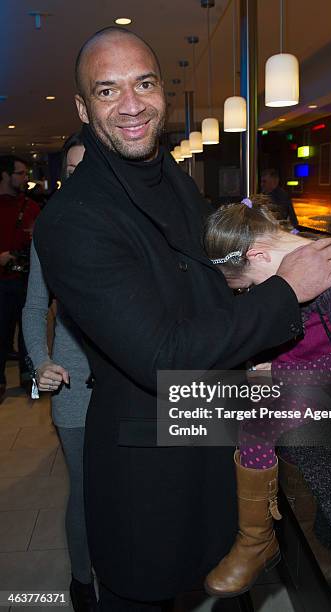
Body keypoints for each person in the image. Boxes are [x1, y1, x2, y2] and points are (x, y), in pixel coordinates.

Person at [33, 26, 331, 610]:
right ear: (83, 108)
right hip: (147, 460)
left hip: (208, 421)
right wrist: (287, 290)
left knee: (225, 570)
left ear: (162, 89)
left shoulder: (175, 183)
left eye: (145, 83)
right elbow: (160, 354)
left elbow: (212, 283)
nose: (132, 105)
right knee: (148, 590)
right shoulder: (74, 219)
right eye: (108, 92)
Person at [203, 197, 331, 595]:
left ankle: (257, 540)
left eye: (248, 285)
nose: (254, 295)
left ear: (260, 254)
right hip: (305, 381)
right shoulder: (292, 254)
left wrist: (279, 371)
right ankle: (302, 542)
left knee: (255, 423)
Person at [22, 134, 97, 612]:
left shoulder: (132, 225)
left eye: (88, 165)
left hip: (129, 385)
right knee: (85, 491)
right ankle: (81, 580)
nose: (80, 174)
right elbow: (33, 308)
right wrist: (41, 361)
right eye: (72, 168)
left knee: (127, 486)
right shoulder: (50, 229)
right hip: (73, 385)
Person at [0, 156, 40, 403]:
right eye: (20, 173)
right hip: (2, 281)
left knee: (30, 333)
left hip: (26, 279)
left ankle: (29, 380)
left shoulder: (32, 206)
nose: (25, 179)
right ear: (5, 176)